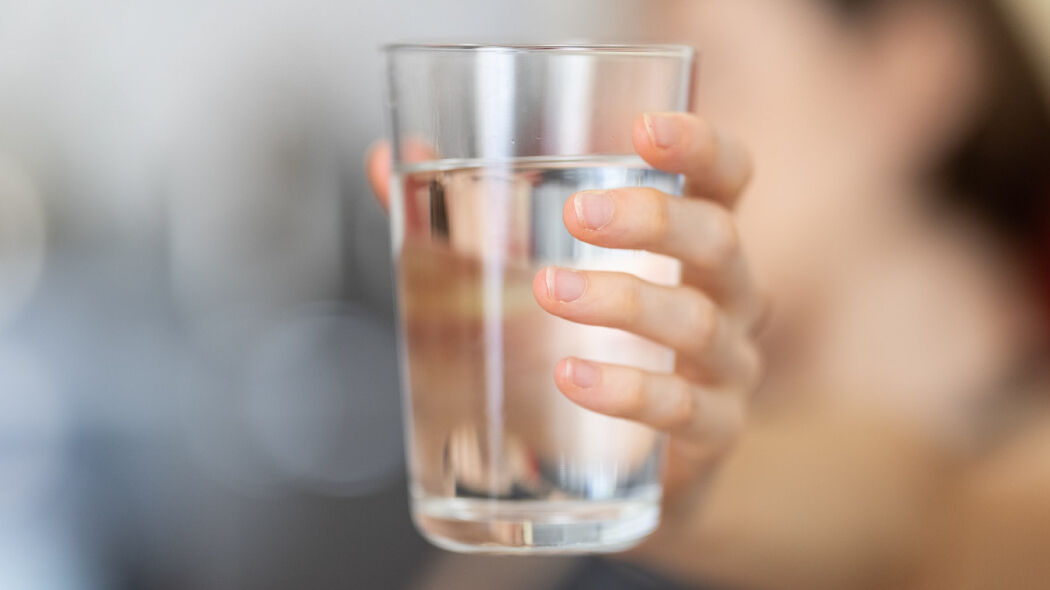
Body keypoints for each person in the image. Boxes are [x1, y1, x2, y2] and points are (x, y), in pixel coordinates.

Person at [367, 0, 1050, 588]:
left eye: (707, 72)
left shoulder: (1013, 475)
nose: (627, 141)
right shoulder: (623, 453)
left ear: (914, 70)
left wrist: (702, 489)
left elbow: (921, 514)